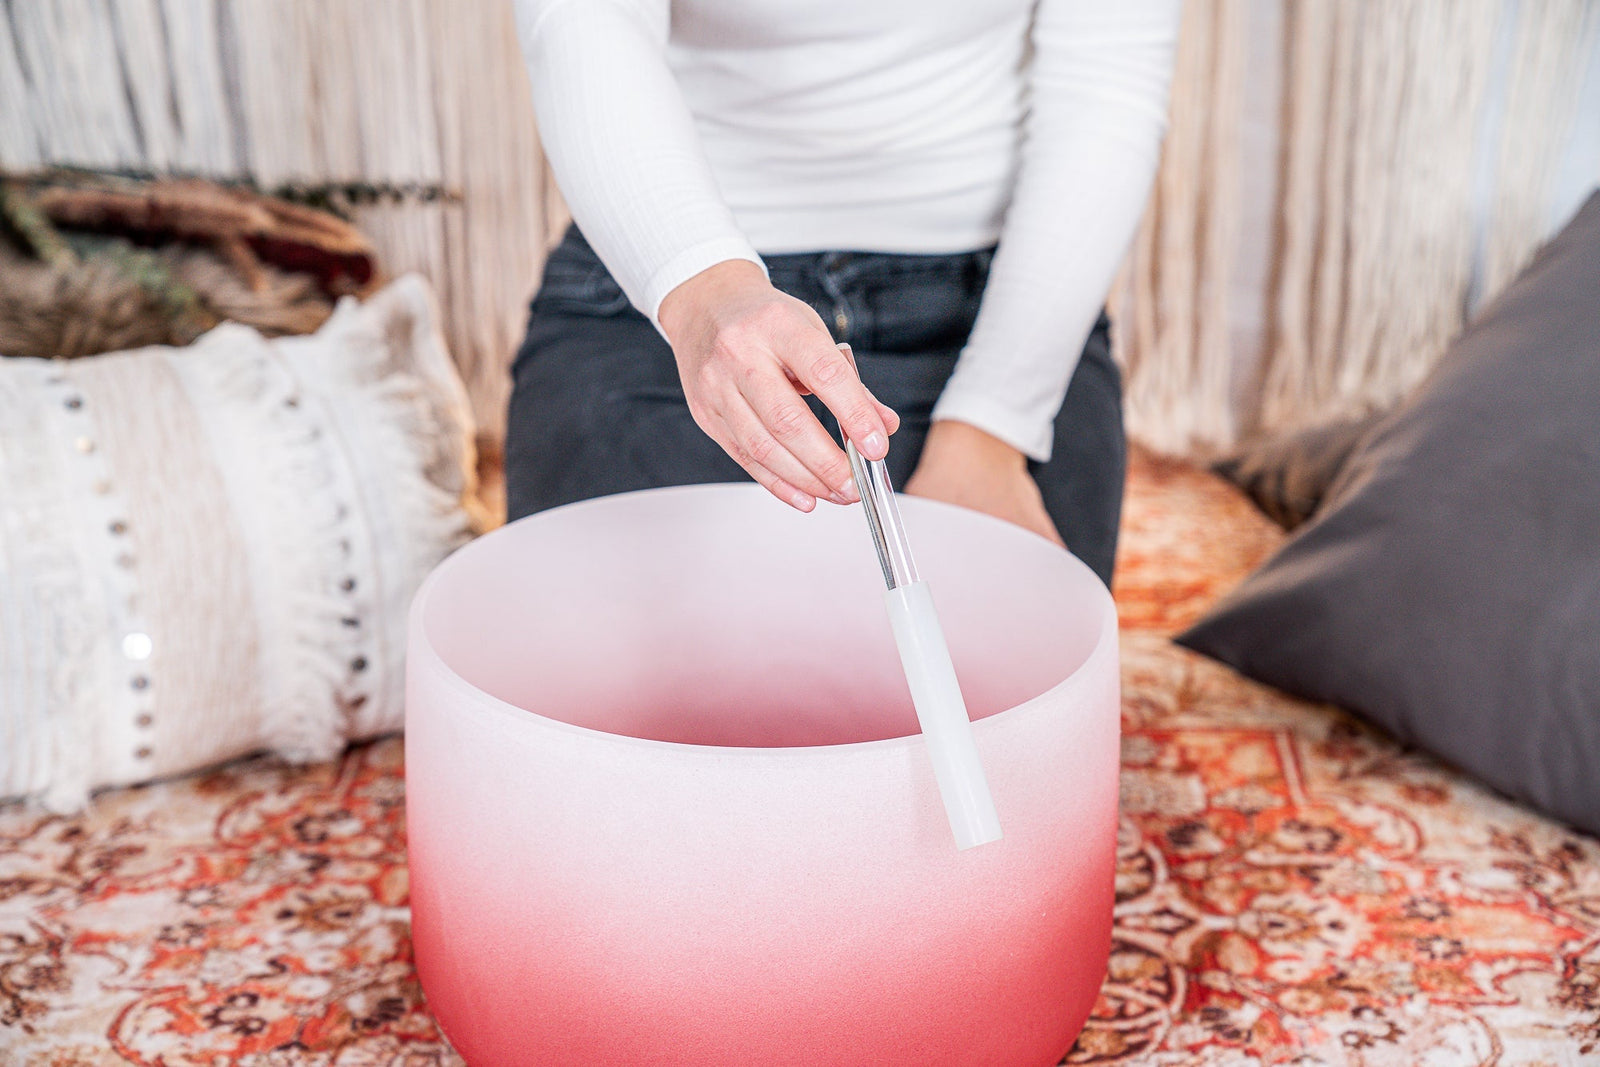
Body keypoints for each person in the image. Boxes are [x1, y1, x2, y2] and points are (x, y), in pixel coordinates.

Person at [507, 0, 1179, 587]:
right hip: (663, 284)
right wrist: (706, 293)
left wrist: (992, 426)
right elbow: (582, 18)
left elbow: (1106, 82)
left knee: (1017, 711)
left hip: (1000, 303)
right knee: (606, 703)